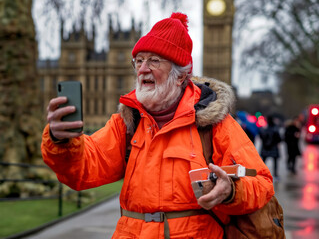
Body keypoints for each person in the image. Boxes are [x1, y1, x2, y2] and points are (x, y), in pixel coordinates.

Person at [41, 13, 274, 239]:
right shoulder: (128, 122)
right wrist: (61, 140)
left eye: (154, 61)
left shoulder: (213, 123)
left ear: (181, 75)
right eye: (139, 61)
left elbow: (261, 184)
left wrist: (232, 191)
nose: (143, 68)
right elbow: (83, 169)